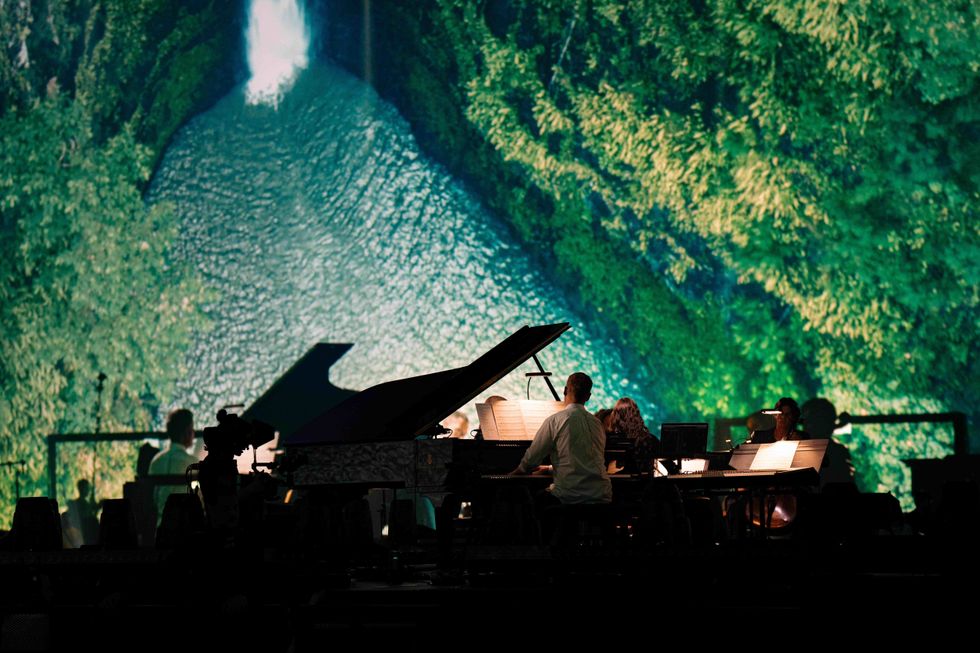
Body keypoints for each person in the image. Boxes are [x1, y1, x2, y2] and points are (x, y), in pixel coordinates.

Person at [509, 372, 611, 505]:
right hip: (602, 495)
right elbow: (584, 461)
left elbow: (530, 462)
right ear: (588, 396)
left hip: (569, 497)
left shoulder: (555, 421)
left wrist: (511, 475)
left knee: (525, 502)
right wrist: (551, 468)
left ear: (564, 390)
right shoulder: (597, 424)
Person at [148, 408, 200, 520]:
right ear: (186, 433)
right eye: (191, 429)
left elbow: (153, 498)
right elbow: (199, 500)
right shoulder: (192, 463)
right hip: (186, 526)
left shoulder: (156, 461)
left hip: (161, 527)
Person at [607, 397, 660, 474]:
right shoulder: (651, 439)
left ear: (616, 416)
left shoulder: (610, 441)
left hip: (617, 484)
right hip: (645, 484)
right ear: (637, 415)